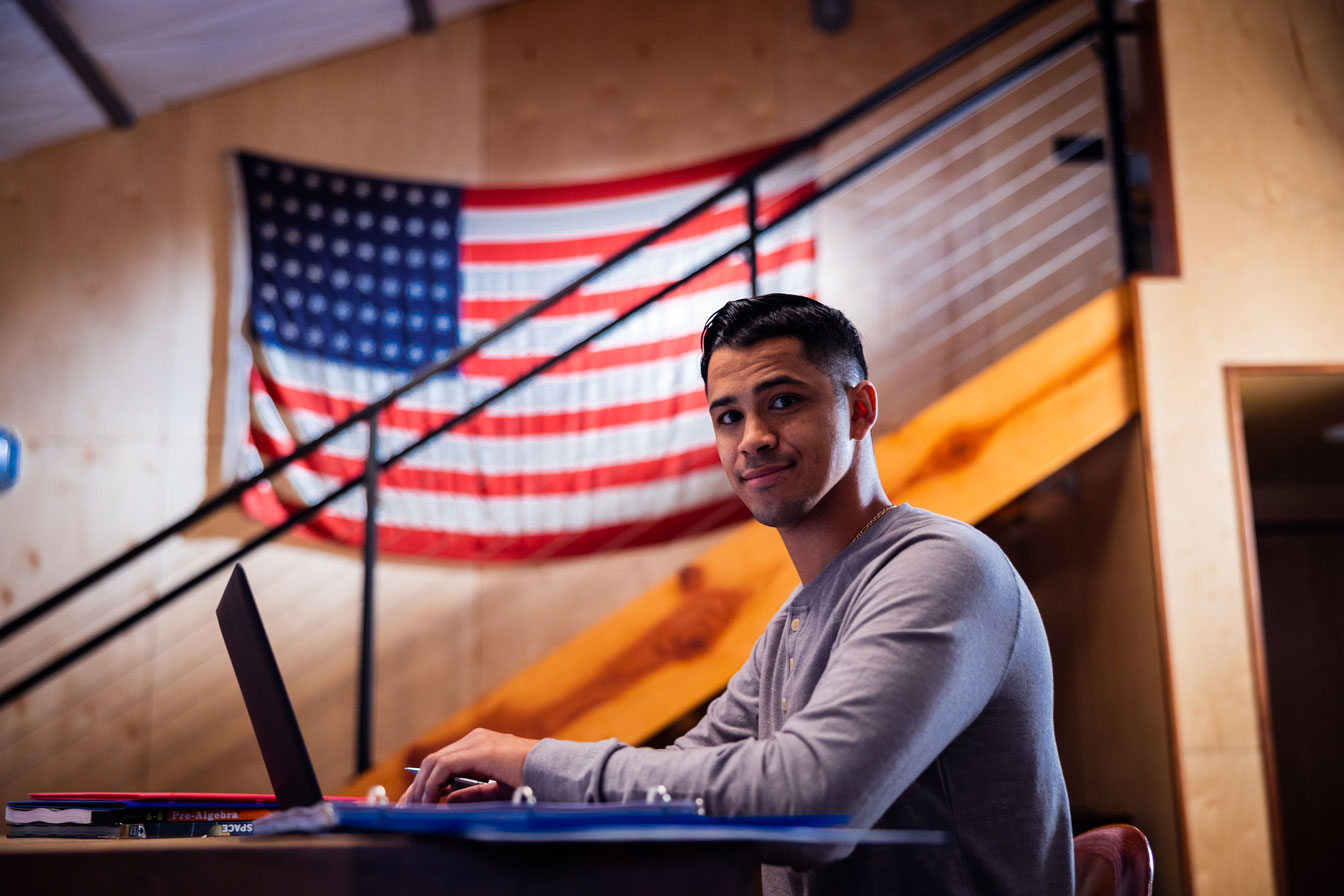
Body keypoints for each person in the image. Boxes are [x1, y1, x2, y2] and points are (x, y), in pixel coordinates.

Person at [401, 294, 1074, 894]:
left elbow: (811, 805)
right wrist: (523, 796)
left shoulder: (942, 568)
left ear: (859, 410)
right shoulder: (792, 624)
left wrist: (533, 758)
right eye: (729, 416)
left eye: (784, 401)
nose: (753, 438)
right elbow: (682, 774)